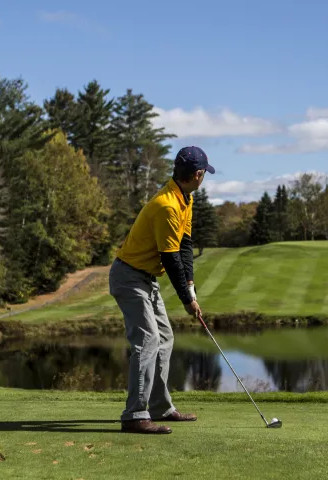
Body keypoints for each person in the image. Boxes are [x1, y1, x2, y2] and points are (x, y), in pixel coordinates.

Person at [109, 145, 215, 434]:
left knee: (165, 337)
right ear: (196, 174)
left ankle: (159, 407)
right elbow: (170, 260)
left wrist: (191, 290)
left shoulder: (184, 199)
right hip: (129, 277)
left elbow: (185, 247)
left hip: (145, 279)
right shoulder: (167, 205)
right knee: (147, 340)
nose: (204, 177)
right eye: (204, 172)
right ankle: (134, 415)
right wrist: (186, 301)